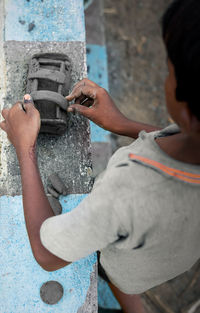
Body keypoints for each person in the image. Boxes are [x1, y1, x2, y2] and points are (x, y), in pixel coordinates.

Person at [1, 0, 200, 312]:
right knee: (133, 272)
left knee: (121, 271)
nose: (166, 77)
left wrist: (24, 146)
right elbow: (188, 139)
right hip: (173, 253)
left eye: (170, 72)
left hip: (133, 258)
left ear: (188, 112)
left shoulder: (129, 187)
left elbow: (46, 254)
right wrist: (124, 125)